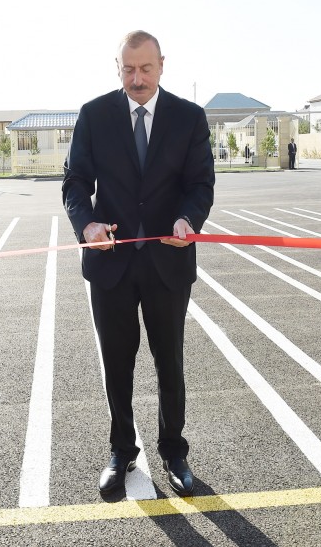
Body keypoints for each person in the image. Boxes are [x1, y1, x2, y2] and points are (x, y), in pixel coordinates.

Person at [62, 31, 215, 497]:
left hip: (169, 262)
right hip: (111, 264)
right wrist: (86, 227)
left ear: (162, 66)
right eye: (128, 69)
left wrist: (188, 219)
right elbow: (74, 184)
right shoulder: (94, 115)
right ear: (118, 68)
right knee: (117, 363)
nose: (137, 78)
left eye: (146, 68)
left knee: (170, 361)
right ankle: (122, 449)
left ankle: (174, 450)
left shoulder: (189, 118)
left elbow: (201, 182)